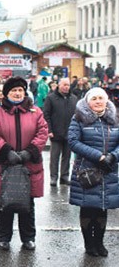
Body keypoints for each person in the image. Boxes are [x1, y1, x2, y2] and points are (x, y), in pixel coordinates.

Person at [0, 76, 48, 251]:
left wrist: (30, 152)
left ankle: (28, 237)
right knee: (4, 203)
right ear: (7, 94)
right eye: (14, 90)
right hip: (5, 163)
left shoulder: (36, 111)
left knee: (27, 204)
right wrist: (6, 151)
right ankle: (3, 238)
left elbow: (42, 132)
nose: (17, 93)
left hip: (29, 164)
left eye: (20, 90)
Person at [68, 87, 119, 257]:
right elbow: (73, 141)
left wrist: (113, 156)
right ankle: (89, 244)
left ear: (107, 100)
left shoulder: (114, 119)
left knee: (102, 207)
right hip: (87, 170)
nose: (98, 101)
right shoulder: (78, 118)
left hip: (108, 170)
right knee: (88, 206)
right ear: (87, 102)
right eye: (94, 98)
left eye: (101, 98)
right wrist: (99, 157)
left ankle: (99, 242)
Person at [43, 78, 78, 186]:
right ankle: (53, 177)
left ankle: (64, 176)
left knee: (67, 157)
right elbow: (46, 115)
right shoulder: (51, 98)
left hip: (69, 132)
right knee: (54, 157)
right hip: (55, 132)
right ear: (59, 85)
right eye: (64, 85)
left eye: (68, 85)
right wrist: (49, 130)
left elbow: (77, 116)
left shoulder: (74, 98)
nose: (66, 87)